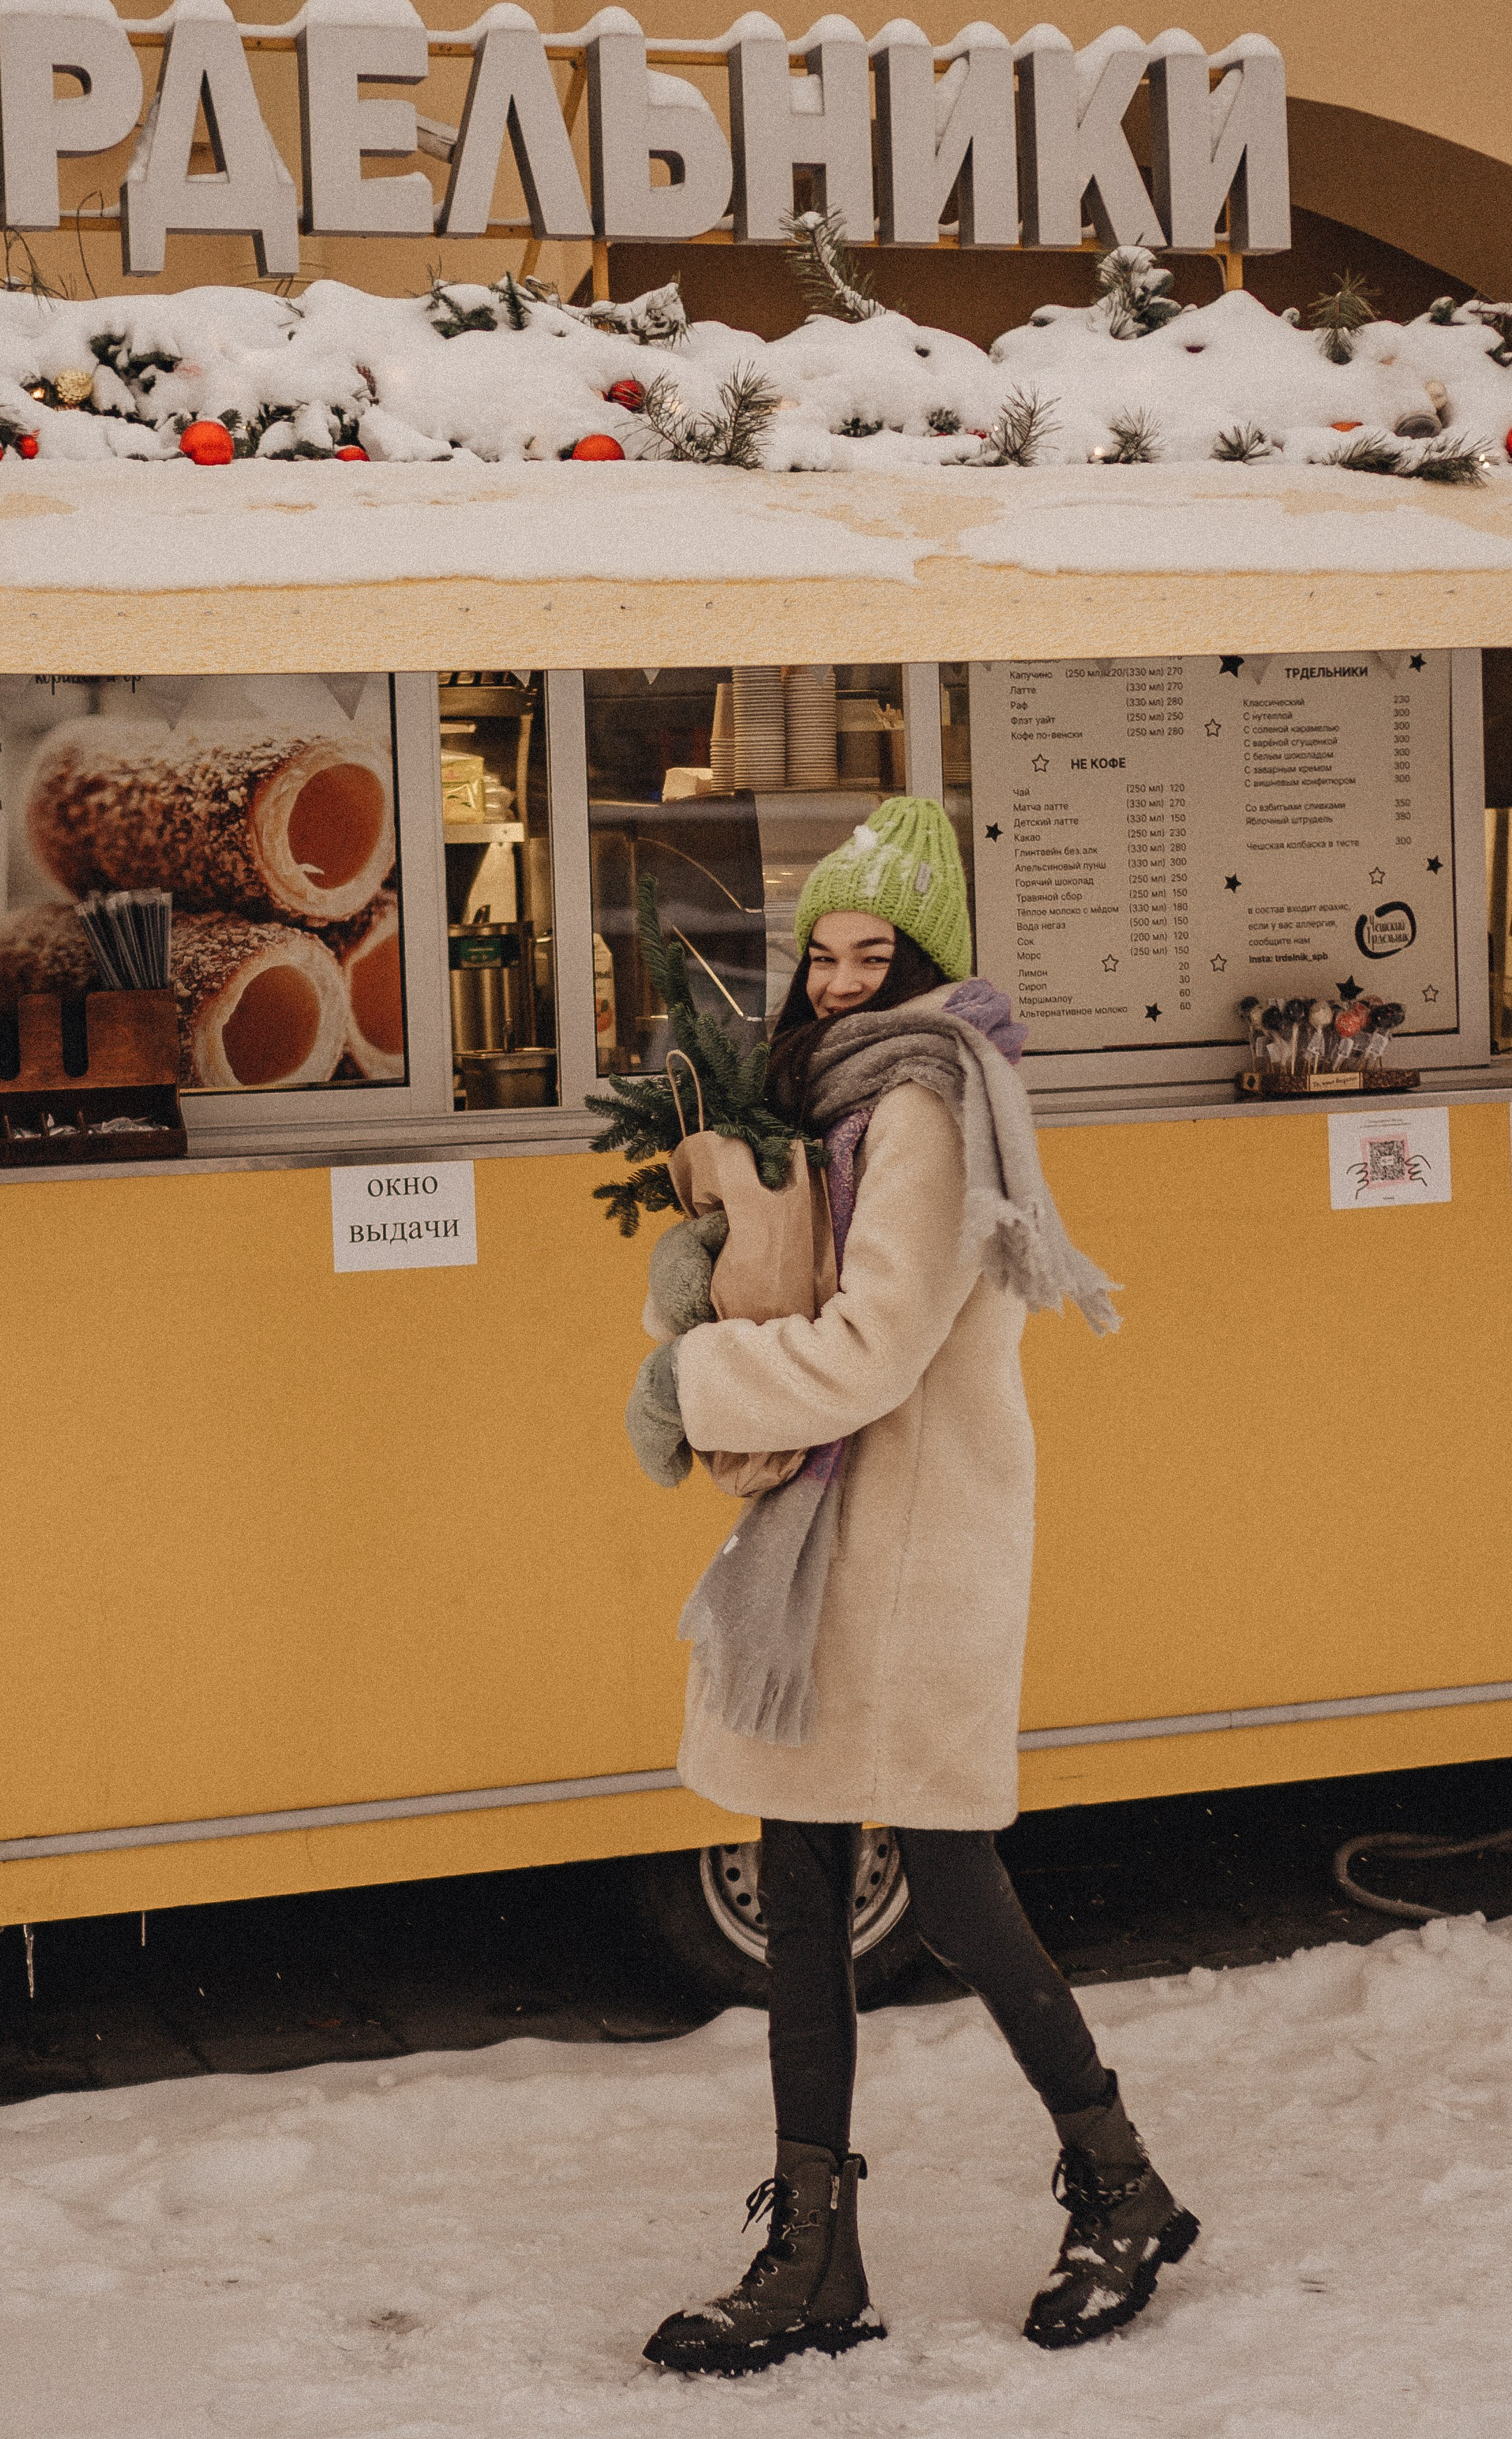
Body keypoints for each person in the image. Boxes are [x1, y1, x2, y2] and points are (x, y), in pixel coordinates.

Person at [629, 796, 1197, 2377]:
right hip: (835, 1549)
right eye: (819, 954)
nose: (834, 981)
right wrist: (707, 1276)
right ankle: (815, 2254)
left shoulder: (930, 1107)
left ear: (924, 965)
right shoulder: (837, 1097)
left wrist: (693, 1375)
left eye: (869, 956)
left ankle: (1123, 2186)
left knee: (949, 1892)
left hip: (911, 1556)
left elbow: (874, 1347)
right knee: (802, 1894)